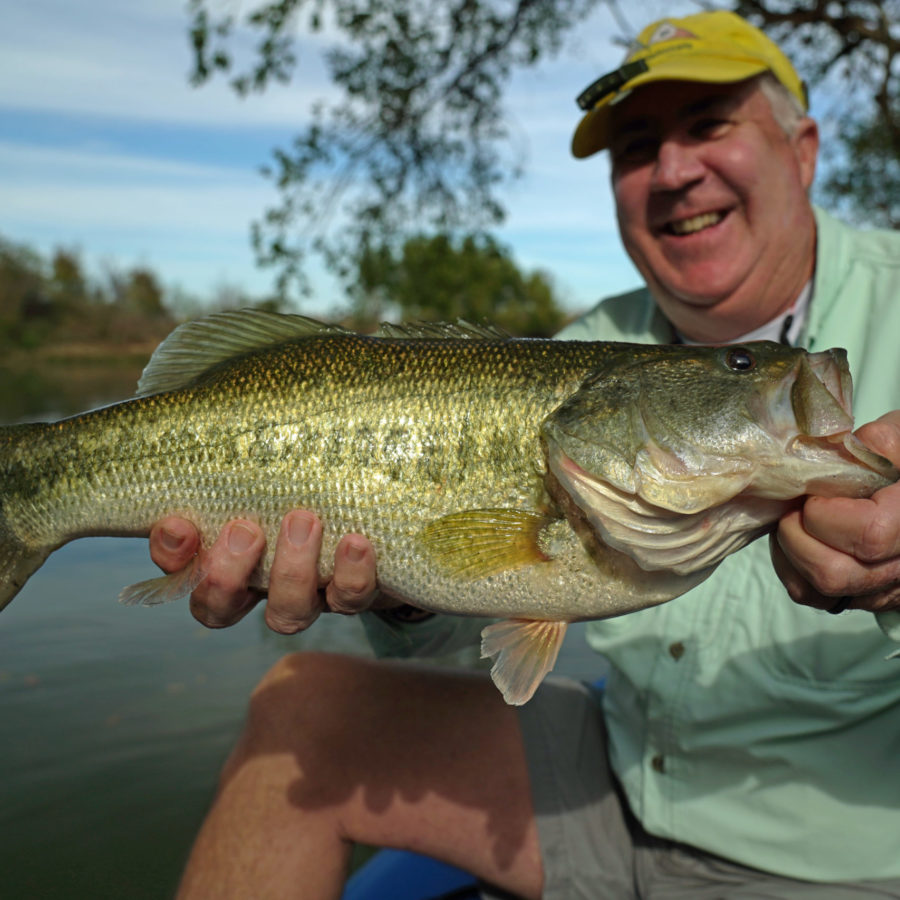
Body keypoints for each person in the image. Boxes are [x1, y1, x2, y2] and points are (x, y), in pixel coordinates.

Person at [151, 11, 900, 899]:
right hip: (617, 782)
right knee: (299, 710)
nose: (671, 170)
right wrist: (393, 594)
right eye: (634, 147)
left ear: (803, 149)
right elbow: (464, 619)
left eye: (708, 125)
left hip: (847, 854)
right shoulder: (582, 349)